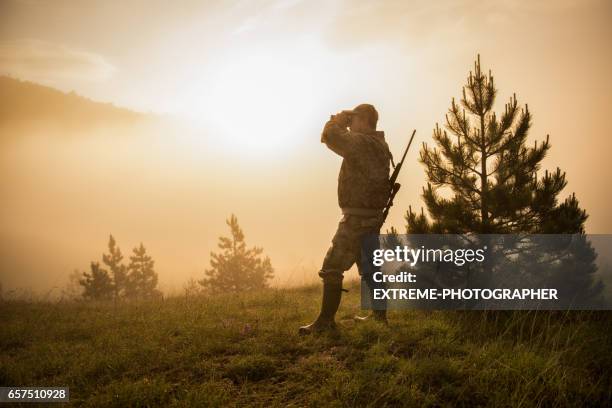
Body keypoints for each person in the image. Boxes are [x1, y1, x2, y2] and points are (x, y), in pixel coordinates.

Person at [299, 103, 392, 335]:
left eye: (355, 118)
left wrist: (339, 121)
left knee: (332, 267)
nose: (352, 123)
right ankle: (379, 318)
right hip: (371, 219)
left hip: (356, 220)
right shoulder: (379, 145)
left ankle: (325, 322)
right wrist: (346, 122)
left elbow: (331, 137)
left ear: (365, 120)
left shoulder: (362, 143)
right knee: (370, 269)